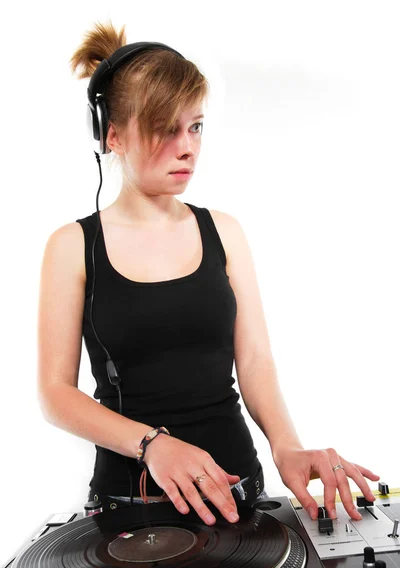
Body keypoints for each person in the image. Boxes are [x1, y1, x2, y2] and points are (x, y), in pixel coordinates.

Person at [37, 20, 379, 527]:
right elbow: (54, 394)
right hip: (133, 506)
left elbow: (256, 360)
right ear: (111, 134)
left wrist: (287, 447)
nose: (187, 147)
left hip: (238, 494)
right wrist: (152, 444)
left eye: (195, 126)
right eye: (165, 129)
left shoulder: (225, 231)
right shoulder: (71, 246)